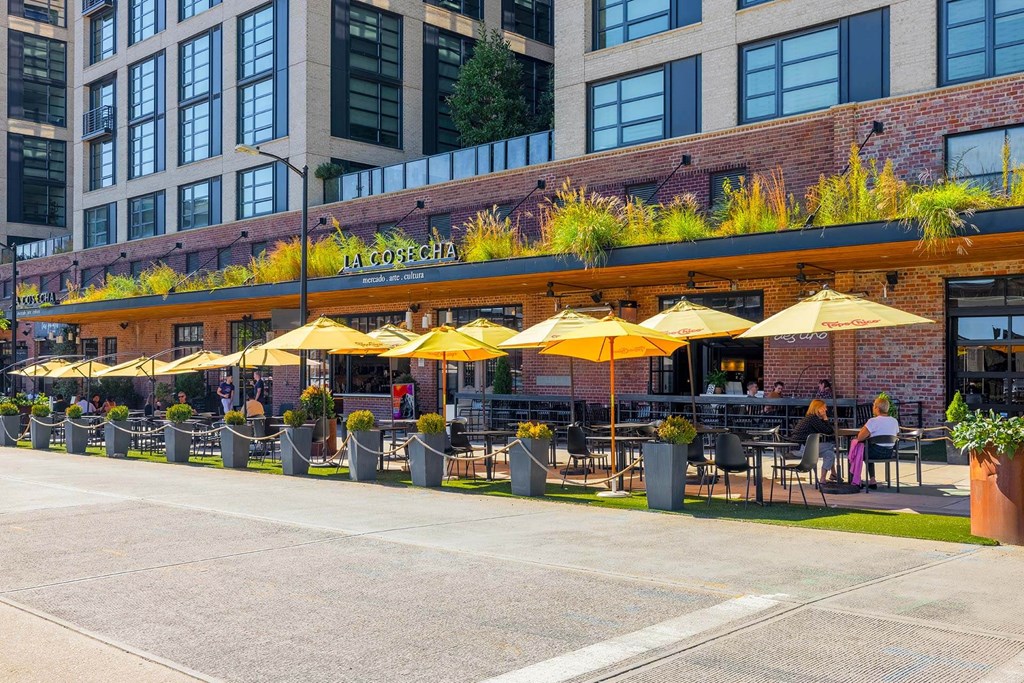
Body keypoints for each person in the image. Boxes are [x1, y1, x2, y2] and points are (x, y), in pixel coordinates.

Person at [848, 396, 900, 489]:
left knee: (858, 450)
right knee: (866, 449)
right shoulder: (894, 421)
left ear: (877, 408)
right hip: (889, 453)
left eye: (873, 406)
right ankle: (872, 479)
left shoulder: (873, 421)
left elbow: (860, 437)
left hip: (874, 452)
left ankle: (854, 480)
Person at [788, 399, 837, 484]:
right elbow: (829, 431)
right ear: (817, 408)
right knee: (830, 446)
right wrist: (825, 418)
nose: (825, 410)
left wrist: (824, 419)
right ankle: (834, 473)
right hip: (800, 448)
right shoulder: (812, 418)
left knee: (830, 454)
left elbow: (828, 431)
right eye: (823, 407)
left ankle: (823, 479)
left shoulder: (813, 418)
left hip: (805, 447)